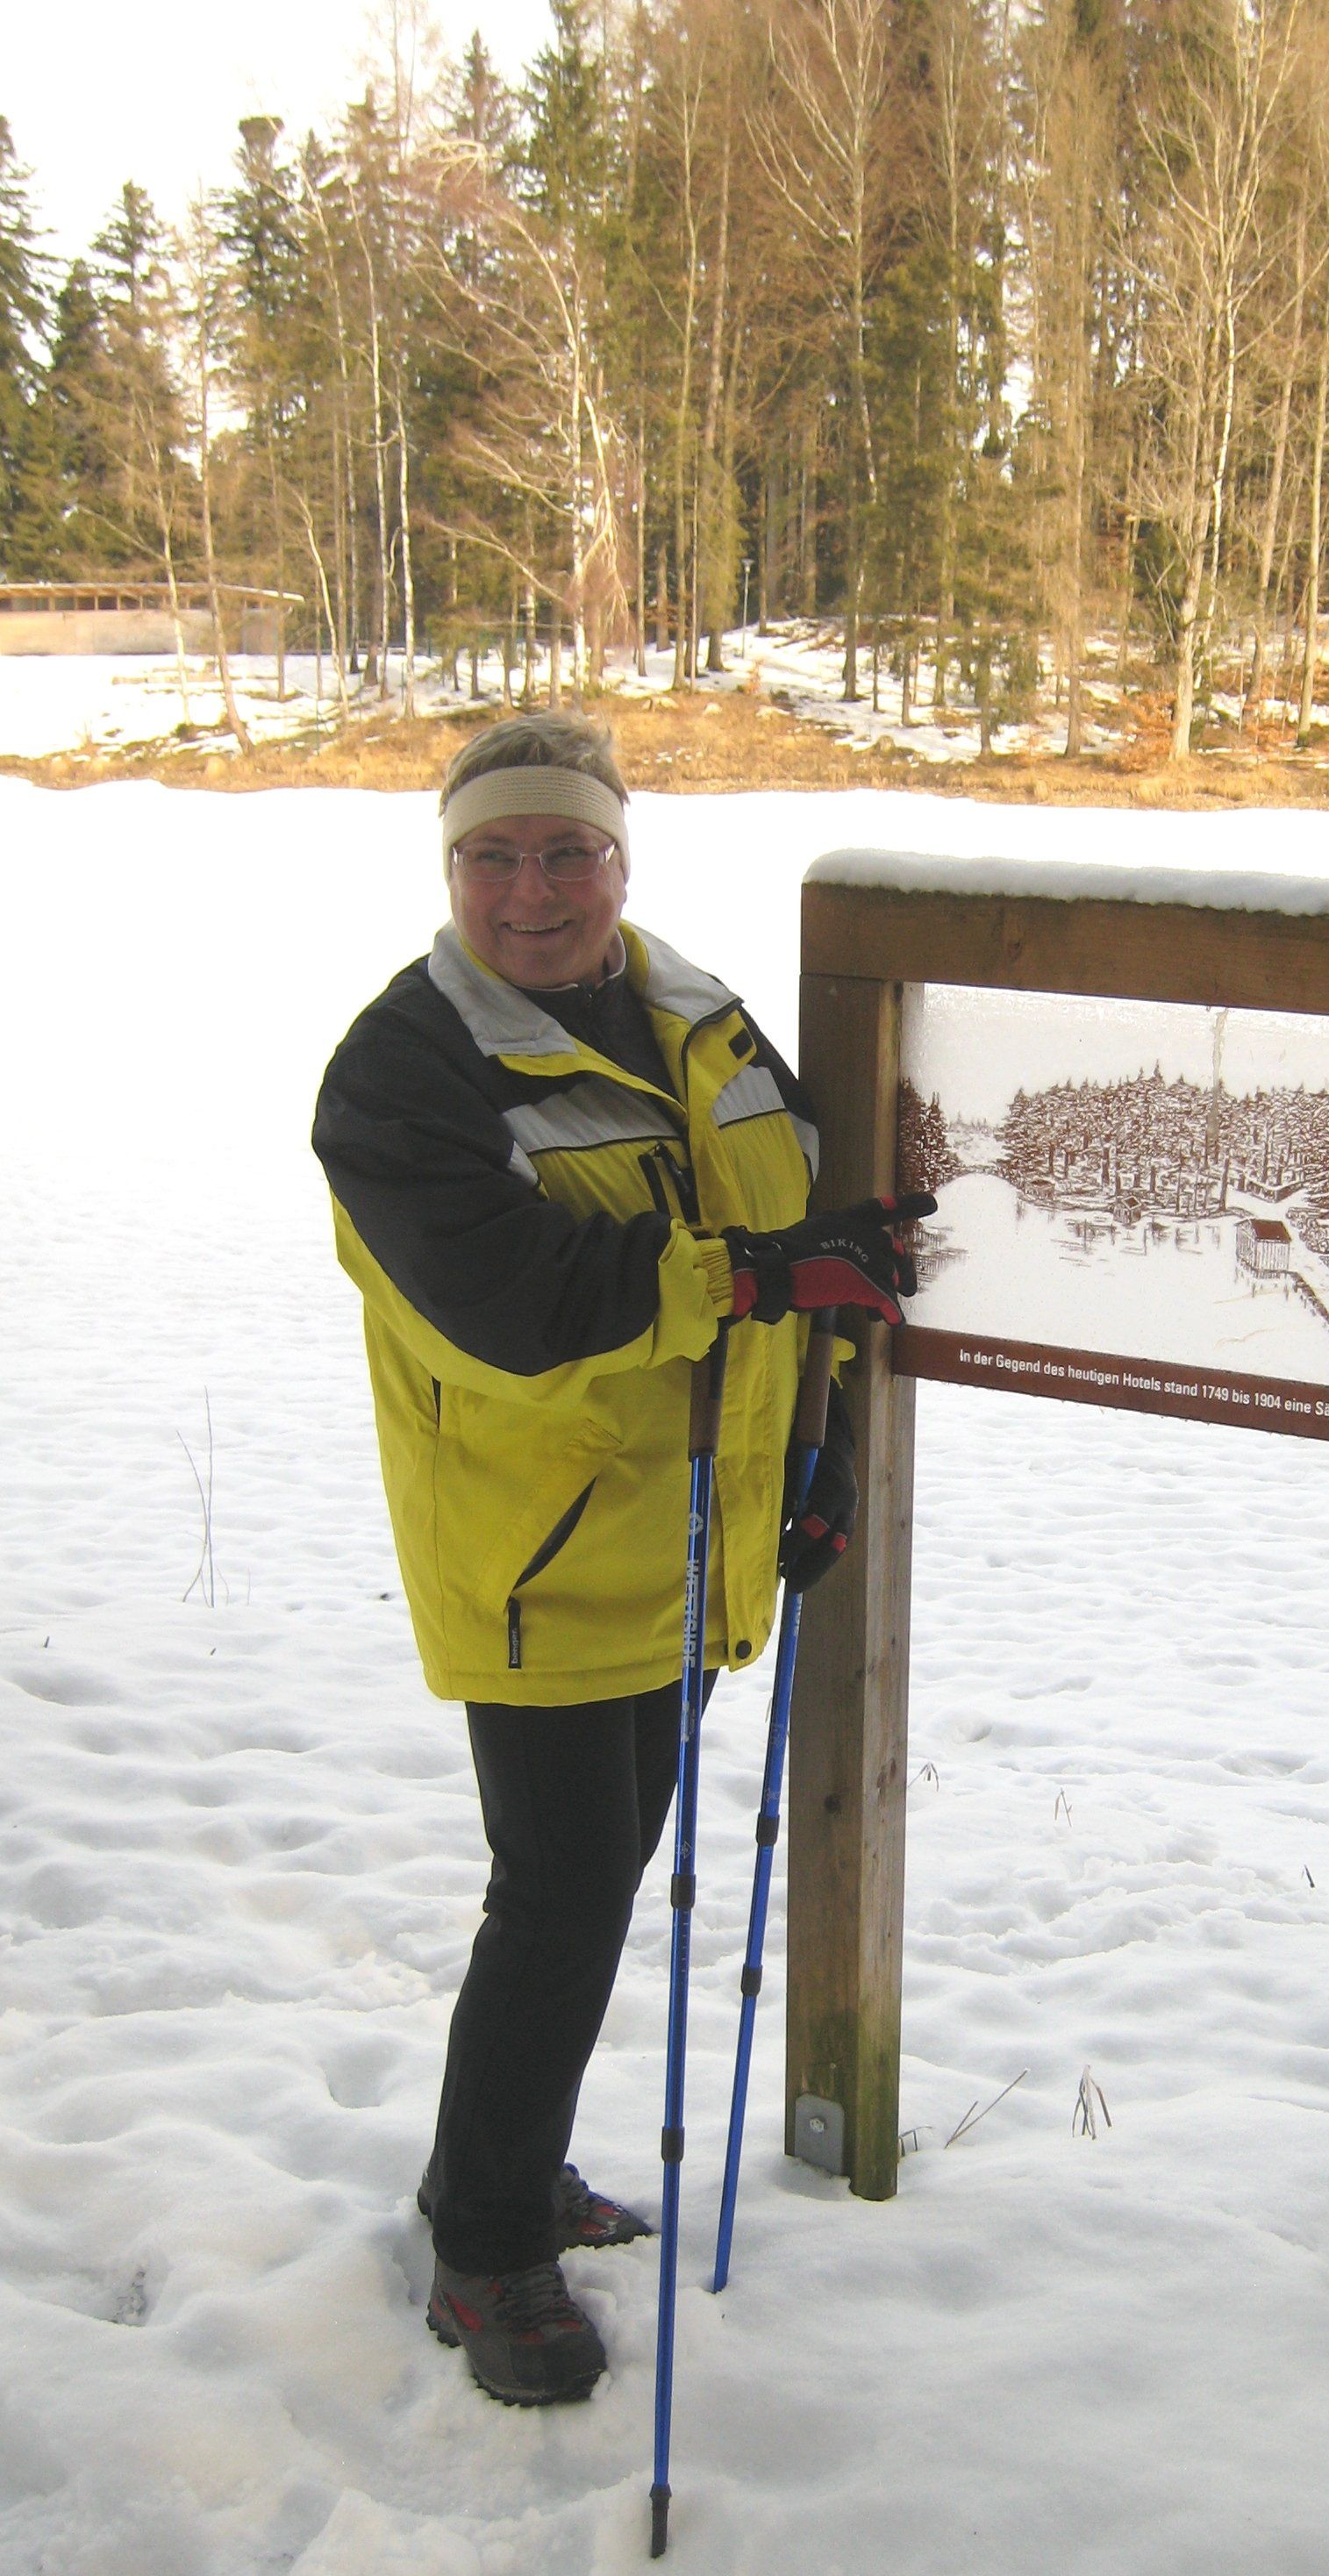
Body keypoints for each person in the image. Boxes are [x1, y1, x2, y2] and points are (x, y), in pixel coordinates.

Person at [313, 711, 925, 2406]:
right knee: (565, 1889)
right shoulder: (405, 1071)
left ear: (620, 859)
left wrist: (819, 1454)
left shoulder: (696, 1018)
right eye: (494, 856)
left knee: (596, 1875)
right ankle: (485, 2243)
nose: (533, 890)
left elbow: (820, 1247)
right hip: (541, 1559)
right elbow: (514, 1304)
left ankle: (497, 2168)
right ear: (451, 870)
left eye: (568, 850)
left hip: (693, 1537)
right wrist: (753, 1277)